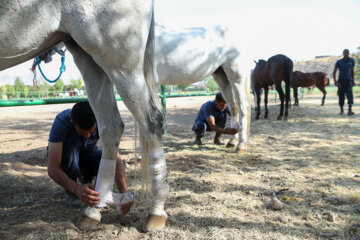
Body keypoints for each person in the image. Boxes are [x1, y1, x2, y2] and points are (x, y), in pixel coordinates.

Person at [47, 101, 133, 214]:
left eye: (90, 132)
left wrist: (124, 194)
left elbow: (115, 156)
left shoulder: (102, 121)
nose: (88, 136)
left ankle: (85, 175)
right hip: (68, 156)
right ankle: (72, 191)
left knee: (111, 158)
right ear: (71, 120)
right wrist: (76, 189)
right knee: (70, 147)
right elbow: (52, 168)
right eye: (83, 132)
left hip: (87, 155)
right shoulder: (61, 123)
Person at [333, 49, 356, 115]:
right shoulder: (339, 62)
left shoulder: (351, 61)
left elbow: (352, 71)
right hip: (341, 81)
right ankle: (341, 110)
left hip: (349, 81)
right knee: (341, 95)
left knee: (350, 95)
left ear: (348, 53)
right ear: (343, 53)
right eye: (345, 52)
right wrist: (335, 81)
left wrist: (353, 81)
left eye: (347, 52)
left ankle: (350, 110)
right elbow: (334, 71)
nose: (346, 53)